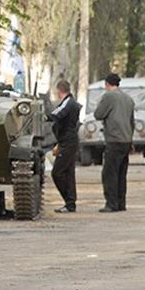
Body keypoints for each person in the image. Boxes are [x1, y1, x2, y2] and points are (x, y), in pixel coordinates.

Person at [94, 73, 135, 213]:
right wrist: (130, 139)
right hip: (126, 140)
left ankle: (111, 204)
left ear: (107, 84)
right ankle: (121, 203)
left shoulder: (109, 97)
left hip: (114, 140)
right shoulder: (128, 99)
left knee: (109, 173)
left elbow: (98, 114)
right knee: (121, 174)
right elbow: (131, 122)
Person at [47, 79, 82, 213]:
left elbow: (56, 114)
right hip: (67, 141)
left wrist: (45, 116)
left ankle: (69, 200)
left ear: (59, 90)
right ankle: (70, 203)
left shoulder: (68, 102)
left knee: (57, 172)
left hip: (68, 141)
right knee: (68, 172)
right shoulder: (70, 102)